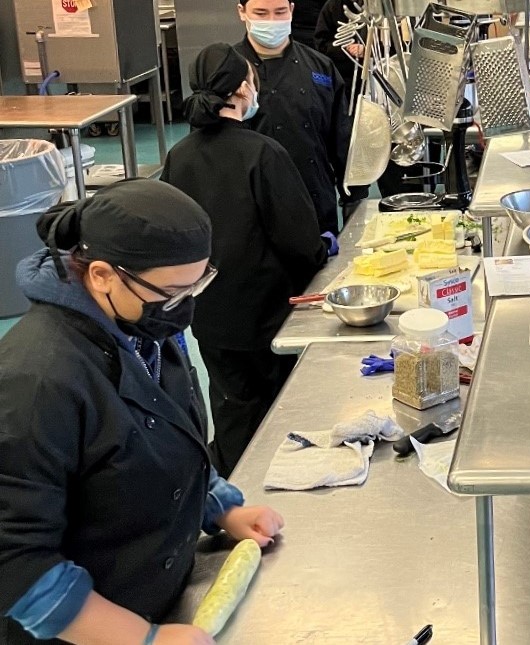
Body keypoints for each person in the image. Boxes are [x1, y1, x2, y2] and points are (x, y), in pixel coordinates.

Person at [0, 179, 284, 645]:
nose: (182, 307)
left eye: (196, 285)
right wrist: (142, 638)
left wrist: (220, 507)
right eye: (171, 291)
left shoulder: (139, 325)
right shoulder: (35, 381)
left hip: (157, 590)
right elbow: (15, 560)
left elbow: (165, 439)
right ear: (101, 275)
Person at [162, 43, 333, 475]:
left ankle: (230, 500)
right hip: (266, 317)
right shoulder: (262, 153)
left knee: (234, 409)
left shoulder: (178, 156)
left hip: (208, 314)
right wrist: (324, 248)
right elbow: (298, 241)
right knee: (278, 414)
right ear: (244, 87)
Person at [234, 0, 366, 235]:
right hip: (251, 213)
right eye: (261, 13)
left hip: (315, 203)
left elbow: (342, 139)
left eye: (280, 12)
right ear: (242, 12)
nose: (272, 21)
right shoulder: (228, 71)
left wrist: (354, 198)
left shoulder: (320, 67)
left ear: (292, 11)